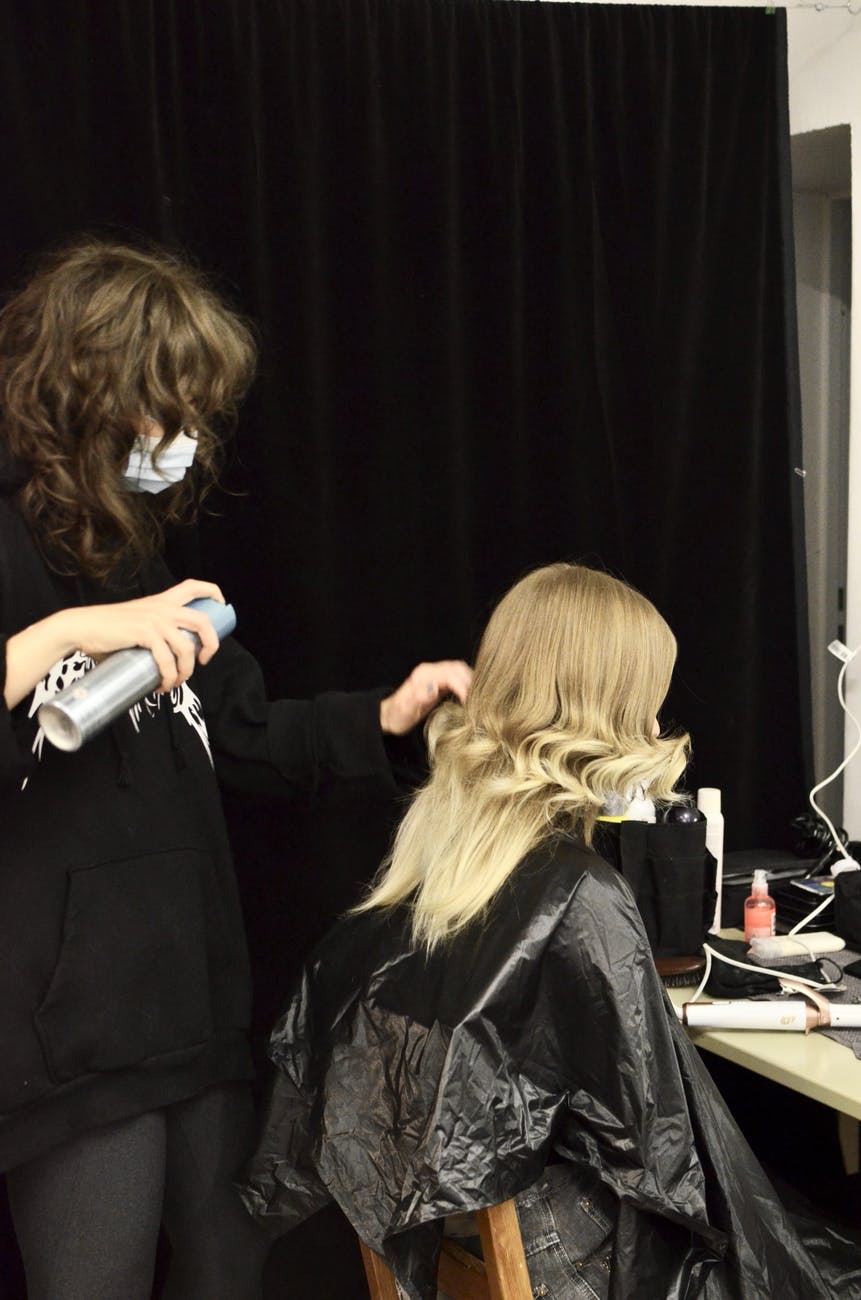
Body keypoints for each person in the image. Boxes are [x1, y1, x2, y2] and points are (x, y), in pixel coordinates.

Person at [0, 238, 471, 1300]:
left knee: (229, 1273)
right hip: (72, 1043)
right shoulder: (15, 550)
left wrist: (388, 719)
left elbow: (246, 736)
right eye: (169, 408)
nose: (186, 438)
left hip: (190, 1010)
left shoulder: (132, 554)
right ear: (92, 387)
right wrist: (71, 632)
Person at [241, 563, 861, 1299]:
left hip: (461, 1228)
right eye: (646, 704)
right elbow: (660, 1158)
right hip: (566, 1252)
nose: (654, 728)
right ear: (606, 713)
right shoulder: (576, 892)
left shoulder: (437, 863)